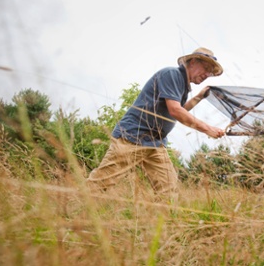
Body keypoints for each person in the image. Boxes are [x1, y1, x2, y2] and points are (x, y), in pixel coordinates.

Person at [86, 47, 225, 200]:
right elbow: (175, 111)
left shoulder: (183, 86)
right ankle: (70, 212)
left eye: (210, 72)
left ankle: (163, 222)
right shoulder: (172, 74)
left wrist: (199, 97)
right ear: (192, 61)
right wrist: (208, 129)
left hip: (156, 142)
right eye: (205, 68)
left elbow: (179, 110)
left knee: (169, 190)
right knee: (101, 182)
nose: (206, 74)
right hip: (133, 136)